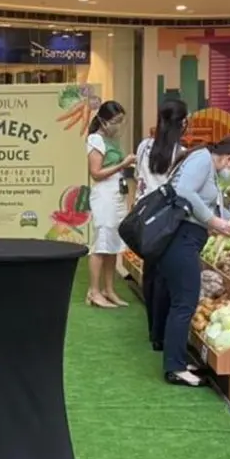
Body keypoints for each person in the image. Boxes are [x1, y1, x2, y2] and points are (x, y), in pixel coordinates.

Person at [154, 135, 230, 386]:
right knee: (184, 302)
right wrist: (212, 221)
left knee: (183, 301)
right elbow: (184, 191)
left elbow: (219, 211)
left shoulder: (209, 169)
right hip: (180, 240)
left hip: (187, 241)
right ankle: (174, 367)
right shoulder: (202, 160)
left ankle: (179, 359)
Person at [137, 99, 188, 335]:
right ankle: (161, 331)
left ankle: (152, 329)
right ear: (183, 123)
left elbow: (140, 178)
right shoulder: (182, 154)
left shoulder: (145, 146)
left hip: (143, 217)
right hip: (166, 220)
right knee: (165, 277)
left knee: (150, 274)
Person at [85, 100, 135, 308]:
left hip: (117, 194)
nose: (119, 125)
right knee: (101, 243)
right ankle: (94, 291)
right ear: (104, 121)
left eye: (121, 121)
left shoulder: (113, 139)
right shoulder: (96, 139)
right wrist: (122, 164)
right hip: (104, 194)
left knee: (113, 244)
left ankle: (109, 289)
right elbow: (96, 174)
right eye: (115, 121)